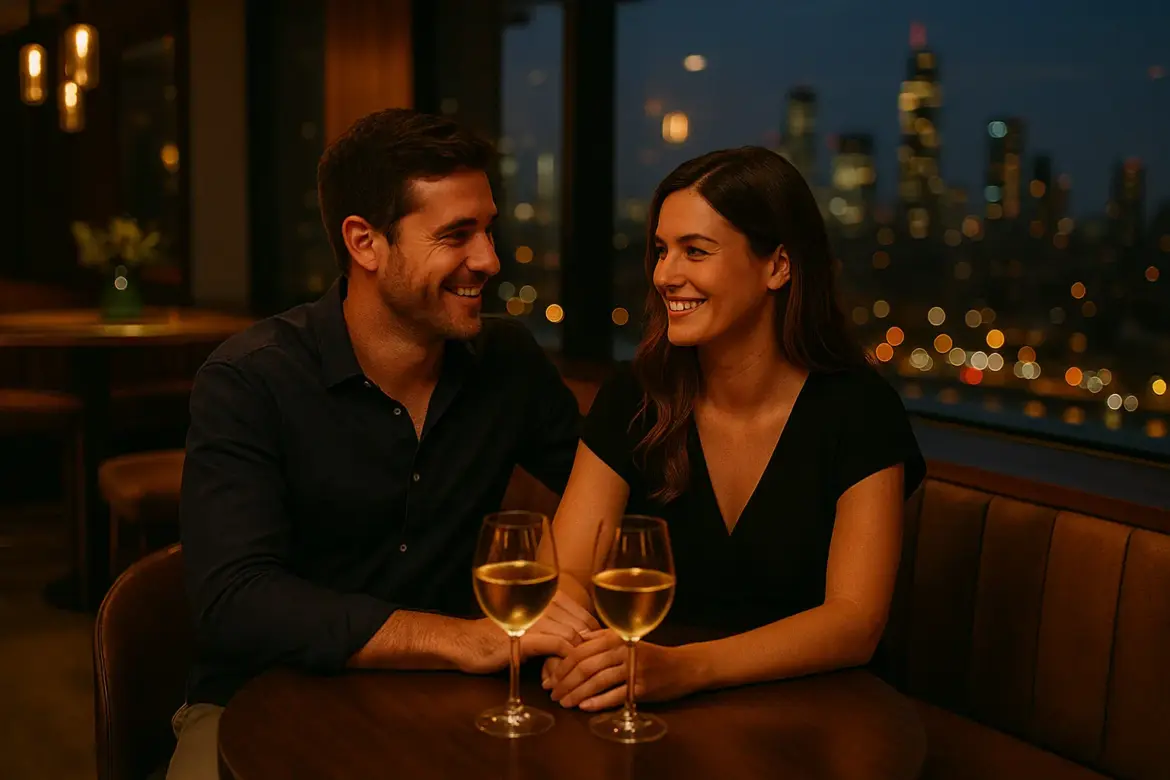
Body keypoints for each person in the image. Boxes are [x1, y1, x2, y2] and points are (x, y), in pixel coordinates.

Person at [167, 109, 597, 779]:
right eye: (457, 235)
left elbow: (609, 491)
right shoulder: (250, 380)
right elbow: (235, 603)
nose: (489, 260)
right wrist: (462, 638)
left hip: (452, 705)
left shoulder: (506, 360)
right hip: (254, 704)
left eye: (489, 230)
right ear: (366, 243)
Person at [542, 146, 926, 712]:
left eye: (695, 251)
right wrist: (566, 645)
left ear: (778, 265)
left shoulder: (859, 410)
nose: (666, 275)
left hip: (820, 717)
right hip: (654, 709)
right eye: (661, 251)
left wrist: (686, 668)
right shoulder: (635, 394)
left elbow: (854, 621)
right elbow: (569, 572)